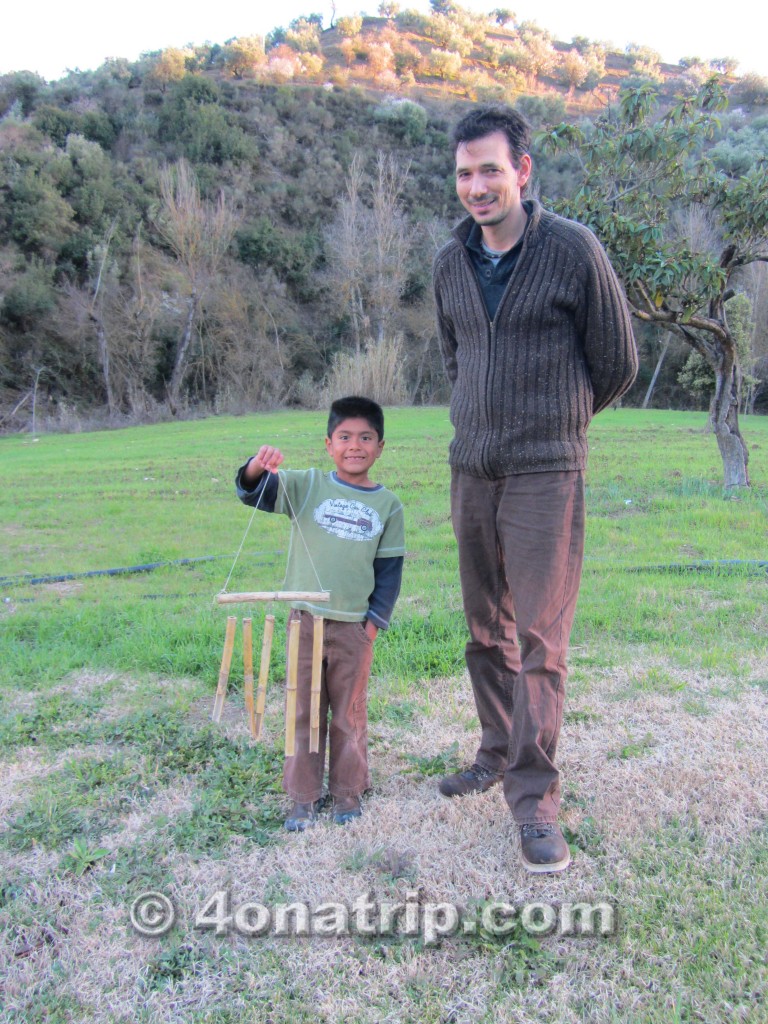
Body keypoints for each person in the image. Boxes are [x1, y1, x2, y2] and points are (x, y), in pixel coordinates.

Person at [433, 105, 638, 873]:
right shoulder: (449, 263)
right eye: (464, 173)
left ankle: (535, 799)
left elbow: (616, 361)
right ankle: (493, 751)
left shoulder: (572, 250)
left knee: (540, 640)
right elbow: (456, 359)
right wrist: (480, 425)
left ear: (522, 170)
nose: (476, 186)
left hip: (546, 470)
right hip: (471, 468)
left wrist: (557, 425)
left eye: (490, 169)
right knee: (484, 628)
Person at [235, 396, 405, 832]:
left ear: (381, 447)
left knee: (348, 713)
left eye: (365, 437)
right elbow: (255, 491)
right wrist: (257, 465)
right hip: (304, 623)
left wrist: (373, 623)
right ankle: (303, 798)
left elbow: (389, 572)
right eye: (345, 437)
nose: (355, 446)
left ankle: (348, 792)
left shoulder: (389, 506)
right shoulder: (306, 485)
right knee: (303, 710)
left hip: (354, 628)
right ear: (328, 444)